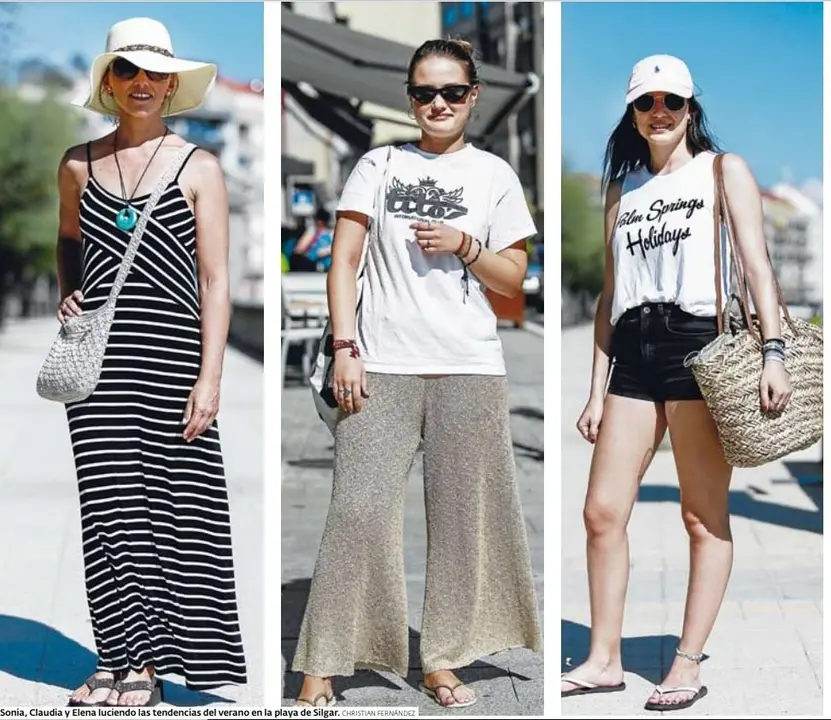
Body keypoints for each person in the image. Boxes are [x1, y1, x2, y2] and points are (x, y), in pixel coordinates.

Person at [292, 39, 542, 709]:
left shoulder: (493, 175)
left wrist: (465, 245)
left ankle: (442, 659)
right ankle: (322, 661)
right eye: (424, 92)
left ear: (471, 97)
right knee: (357, 512)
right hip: (381, 365)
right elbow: (342, 262)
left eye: (451, 93)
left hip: (468, 368)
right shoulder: (378, 164)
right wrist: (346, 344)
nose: (437, 104)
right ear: (409, 97)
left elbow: (513, 281)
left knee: (463, 523)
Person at [561, 55, 792, 711]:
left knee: (699, 515)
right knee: (601, 511)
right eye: (645, 103)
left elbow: (756, 265)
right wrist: (592, 386)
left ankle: (685, 662)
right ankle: (603, 658)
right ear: (631, 114)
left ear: (690, 107)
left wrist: (772, 351)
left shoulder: (722, 171)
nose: (657, 113)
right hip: (633, 350)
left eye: (670, 101)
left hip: (700, 347)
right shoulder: (622, 189)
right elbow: (609, 297)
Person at [57, 17, 247, 707]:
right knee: (107, 511)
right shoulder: (78, 163)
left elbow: (218, 281)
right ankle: (115, 655)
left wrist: (211, 376)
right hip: (99, 369)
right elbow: (68, 239)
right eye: (127, 71)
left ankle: (151, 665)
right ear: (109, 81)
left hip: (173, 365)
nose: (142, 84)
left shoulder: (200, 167)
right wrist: (69, 294)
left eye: (154, 73)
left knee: (175, 513)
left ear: (172, 84)